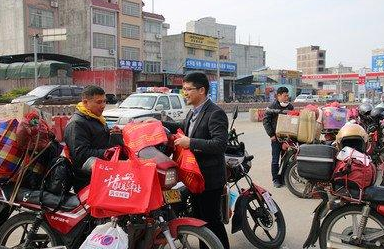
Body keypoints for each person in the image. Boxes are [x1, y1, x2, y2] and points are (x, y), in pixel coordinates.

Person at [162, 72, 230, 249]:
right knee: (199, 222)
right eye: (183, 89)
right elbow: (181, 128)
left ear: (201, 90)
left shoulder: (215, 113)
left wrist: (190, 143)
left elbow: (219, 144)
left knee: (211, 221)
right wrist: (156, 123)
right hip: (195, 176)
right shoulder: (194, 111)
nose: (185, 93)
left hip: (209, 178)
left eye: (188, 89)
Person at [64, 85, 122, 192]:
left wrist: (114, 134)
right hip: (86, 178)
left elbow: (98, 141)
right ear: (86, 102)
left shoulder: (96, 118)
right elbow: (80, 155)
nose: (103, 105)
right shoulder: (77, 123)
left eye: (104, 101)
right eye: (99, 102)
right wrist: (106, 152)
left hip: (103, 171)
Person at [262, 87, 294, 188]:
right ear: (278, 95)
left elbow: (293, 121)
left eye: (287, 95)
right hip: (275, 138)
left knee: (286, 160)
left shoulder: (290, 107)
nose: (286, 97)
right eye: (285, 95)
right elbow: (265, 121)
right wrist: (271, 134)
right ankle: (275, 179)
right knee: (275, 159)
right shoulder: (272, 106)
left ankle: (283, 178)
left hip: (287, 139)